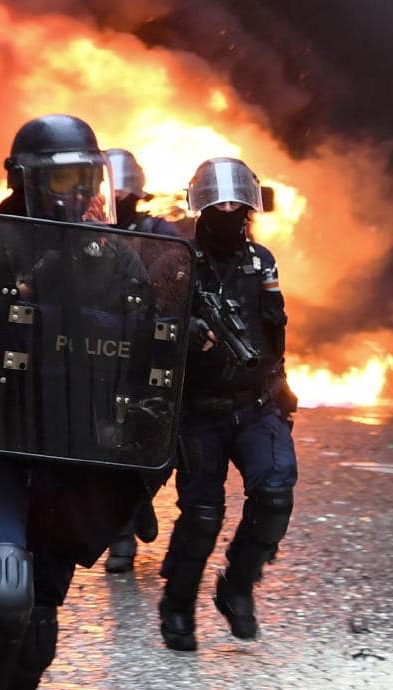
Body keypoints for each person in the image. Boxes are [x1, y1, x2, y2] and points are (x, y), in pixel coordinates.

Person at [0, 115, 157, 690]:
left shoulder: (117, 259)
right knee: (4, 590)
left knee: (37, 626)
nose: (75, 194)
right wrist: (13, 299)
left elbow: (145, 354)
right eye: (60, 180)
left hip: (73, 456)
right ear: (23, 181)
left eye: (85, 179)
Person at [156, 157, 298, 652]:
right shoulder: (177, 260)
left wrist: (281, 389)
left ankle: (237, 585)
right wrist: (183, 330)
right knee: (201, 516)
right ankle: (177, 605)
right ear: (201, 207)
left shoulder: (261, 261)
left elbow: (274, 330)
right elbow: (145, 326)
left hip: (257, 403)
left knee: (275, 495)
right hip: (199, 410)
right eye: (219, 205)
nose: (230, 212)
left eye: (238, 205)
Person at [103, 147, 185, 574]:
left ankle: (137, 501)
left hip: (149, 352)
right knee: (107, 445)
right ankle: (120, 534)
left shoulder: (159, 233)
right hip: (100, 352)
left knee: (162, 445)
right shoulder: (86, 232)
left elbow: (179, 280)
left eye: (125, 195)